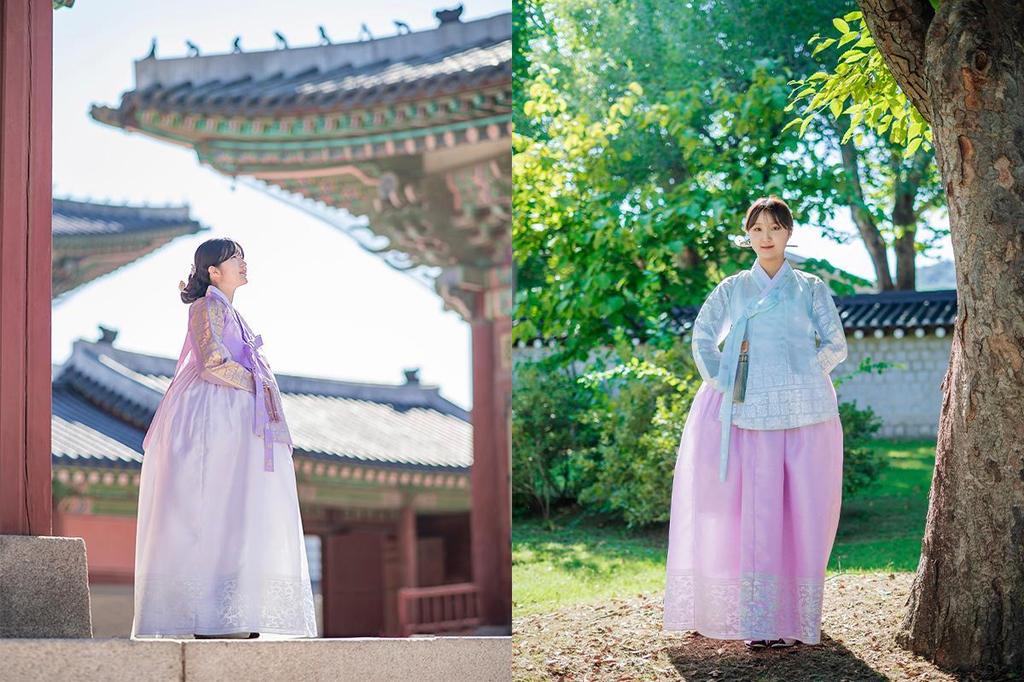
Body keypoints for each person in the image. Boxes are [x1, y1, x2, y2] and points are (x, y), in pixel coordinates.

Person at [662, 196, 848, 649]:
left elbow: (836, 344)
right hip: (743, 409)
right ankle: (754, 618)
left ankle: (793, 617)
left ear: (788, 233)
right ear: (748, 235)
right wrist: (721, 378)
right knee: (748, 513)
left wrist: (805, 372)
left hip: (803, 412)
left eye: (775, 228)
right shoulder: (731, 288)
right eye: (757, 229)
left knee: (803, 509)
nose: (766, 237)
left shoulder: (811, 287)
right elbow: (704, 336)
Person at [131, 238, 317, 639]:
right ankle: (207, 613)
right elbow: (212, 360)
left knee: (240, 507)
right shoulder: (206, 307)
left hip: (238, 415)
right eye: (235, 258)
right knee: (212, 504)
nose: (244, 263)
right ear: (213, 271)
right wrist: (255, 381)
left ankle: (237, 609)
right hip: (212, 416)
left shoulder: (232, 312)